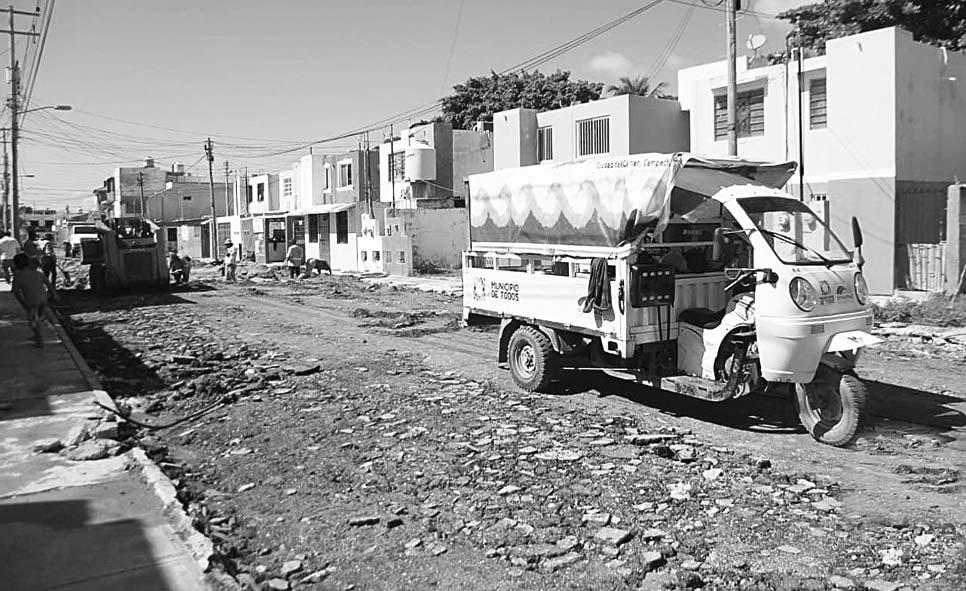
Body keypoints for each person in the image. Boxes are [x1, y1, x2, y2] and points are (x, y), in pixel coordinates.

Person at [11, 253, 57, 346]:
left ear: (16, 265)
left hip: (31, 301)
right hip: (43, 298)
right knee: (45, 310)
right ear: (29, 263)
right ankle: (55, 328)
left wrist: (23, 303)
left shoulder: (18, 277)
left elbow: (16, 292)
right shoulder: (37, 273)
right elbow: (48, 283)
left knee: (33, 320)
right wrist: (54, 294)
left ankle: (39, 338)